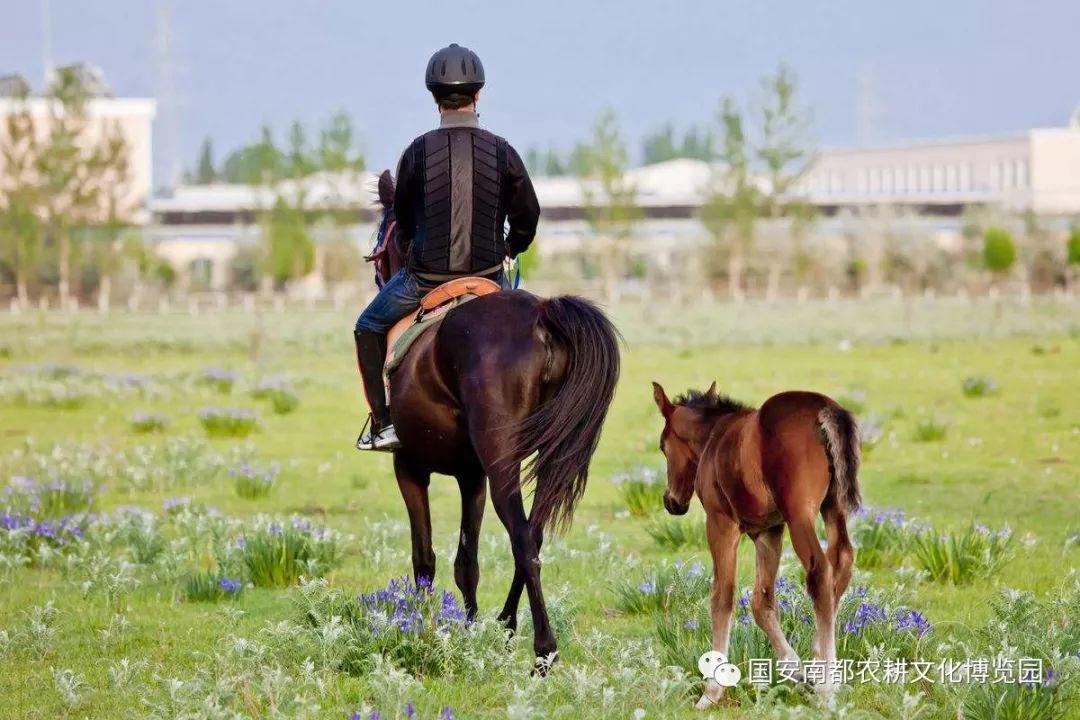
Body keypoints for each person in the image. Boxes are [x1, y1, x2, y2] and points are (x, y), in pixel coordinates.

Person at [354, 43, 541, 451]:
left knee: (367, 326)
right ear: (478, 95)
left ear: (435, 98)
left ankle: (383, 424)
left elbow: (402, 216)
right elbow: (529, 213)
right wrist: (511, 245)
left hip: (424, 280)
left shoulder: (417, 152)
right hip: (489, 277)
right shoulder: (504, 150)